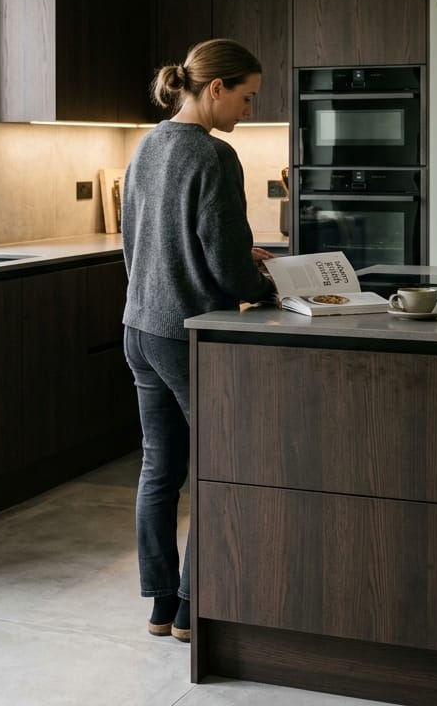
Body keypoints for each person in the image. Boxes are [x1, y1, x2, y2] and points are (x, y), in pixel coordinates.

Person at [121, 37, 276, 644]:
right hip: (186, 334)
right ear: (215, 89)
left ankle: (163, 607)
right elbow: (228, 268)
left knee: (160, 468)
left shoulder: (148, 143)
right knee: (219, 466)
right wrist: (268, 285)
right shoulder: (214, 155)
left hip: (139, 327)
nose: (249, 110)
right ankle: (193, 608)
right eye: (246, 97)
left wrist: (233, 258)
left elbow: (143, 242)